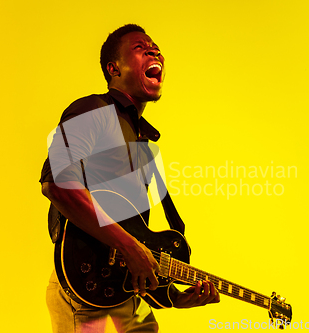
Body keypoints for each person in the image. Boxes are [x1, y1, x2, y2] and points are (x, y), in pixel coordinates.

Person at [40, 24, 220, 333]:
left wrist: (174, 297)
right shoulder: (93, 109)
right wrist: (130, 247)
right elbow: (57, 184)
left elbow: (140, 236)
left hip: (127, 298)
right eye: (140, 47)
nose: (154, 51)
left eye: (155, 47)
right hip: (84, 292)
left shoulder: (142, 144)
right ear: (114, 68)